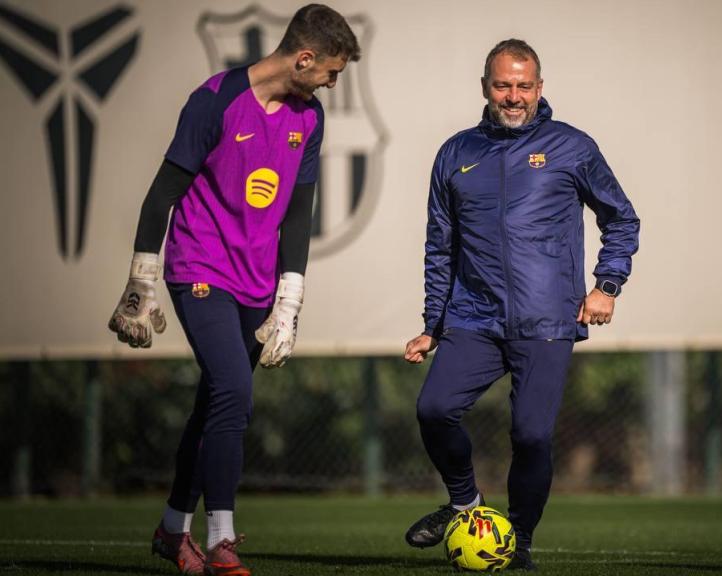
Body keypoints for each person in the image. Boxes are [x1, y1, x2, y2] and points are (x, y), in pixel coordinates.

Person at [106, 5, 359, 575]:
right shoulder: (215, 99)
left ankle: (173, 530)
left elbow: (299, 214)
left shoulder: (310, 119)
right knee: (235, 395)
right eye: (331, 72)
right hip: (198, 267)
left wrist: (289, 298)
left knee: (214, 406)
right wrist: (141, 279)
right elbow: (161, 193)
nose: (333, 84)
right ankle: (221, 539)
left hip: (256, 282)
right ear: (303, 58)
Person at [402, 39, 640, 571]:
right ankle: (467, 504)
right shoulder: (456, 153)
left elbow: (622, 219)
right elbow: (440, 246)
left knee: (531, 434)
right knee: (434, 409)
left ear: (540, 88)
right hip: (473, 319)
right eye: (503, 85)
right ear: (485, 86)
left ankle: (521, 542)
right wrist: (432, 325)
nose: (514, 96)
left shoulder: (572, 146)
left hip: (547, 319)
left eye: (523, 86)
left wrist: (608, 285)